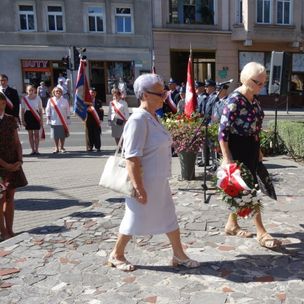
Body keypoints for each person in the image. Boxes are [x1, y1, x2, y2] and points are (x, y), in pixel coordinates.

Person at [108, 73, 199, 272]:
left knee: (169, 216)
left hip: (158, 181)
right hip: (144, 181)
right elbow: (132, 158)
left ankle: (178, 254)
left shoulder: (152, 117)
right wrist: (139, 188)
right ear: (145, 95)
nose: (165, 96)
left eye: (164, 92)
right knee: (132, 219)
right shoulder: (138, 120)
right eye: (160, 93)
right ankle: (117, 254)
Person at [218, 62, 281, 249]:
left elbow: (256, 126)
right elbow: (222, 132)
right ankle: (261, 232)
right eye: (258, 82)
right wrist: (227, 158)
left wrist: (258, 148)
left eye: (264, 83)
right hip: (237, 149)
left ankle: (231, 224)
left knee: (240, 190)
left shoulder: (253, 98)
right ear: (245, 79)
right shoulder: (234, 101)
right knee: (249, 190)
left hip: (251, 147)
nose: (261, 86)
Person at [0, 92, 27, 241]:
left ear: (4, 103)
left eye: (1, 102)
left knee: (10, 197)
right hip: (1, 167)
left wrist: (19, 161)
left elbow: (17, 142)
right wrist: (6, 165)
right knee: (1, 198)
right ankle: (2, 232)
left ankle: (10, 230)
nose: (0, 105)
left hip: (13, 164)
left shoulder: (10, 120)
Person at [20, 85, 44, 155]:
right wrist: (23, 120)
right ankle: (32, 150)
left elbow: (40, 109)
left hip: (36, 116)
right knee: (30, 135)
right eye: (29, 90)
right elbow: (22, 110)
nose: (31, 91)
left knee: (36, 134)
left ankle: (37, 150)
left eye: (32, 90)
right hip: (28, 116)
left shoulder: (38, 98)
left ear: (34, 90)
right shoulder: (24, 99)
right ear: (27, 91)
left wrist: (41, 120)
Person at [45, 86, 71, 153]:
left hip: (63, 120)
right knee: (55, 135)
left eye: (59, 91)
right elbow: (48, 110)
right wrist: (48, 118)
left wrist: (68, 118)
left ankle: (62, 147)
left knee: (62, 135)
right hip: (54, 120)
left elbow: (68, 110)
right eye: (56, 91)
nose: (58, 92)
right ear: (54, 92)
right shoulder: (50, 100)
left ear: (61, 93)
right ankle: (56, 148)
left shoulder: (65, 100)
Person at [85, 88, 104, 152]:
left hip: (96, 120)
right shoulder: (86, 102)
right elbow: (83, 111)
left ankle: (98, 147)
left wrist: (101, 119)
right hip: (88, 120)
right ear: (89, 94)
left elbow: (101, 111)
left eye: (93, 93)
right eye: (91, 93)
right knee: (89, 134)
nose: (92, 94)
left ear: (95, 94)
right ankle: (90, 147)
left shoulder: (99, 101)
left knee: (97, 134)